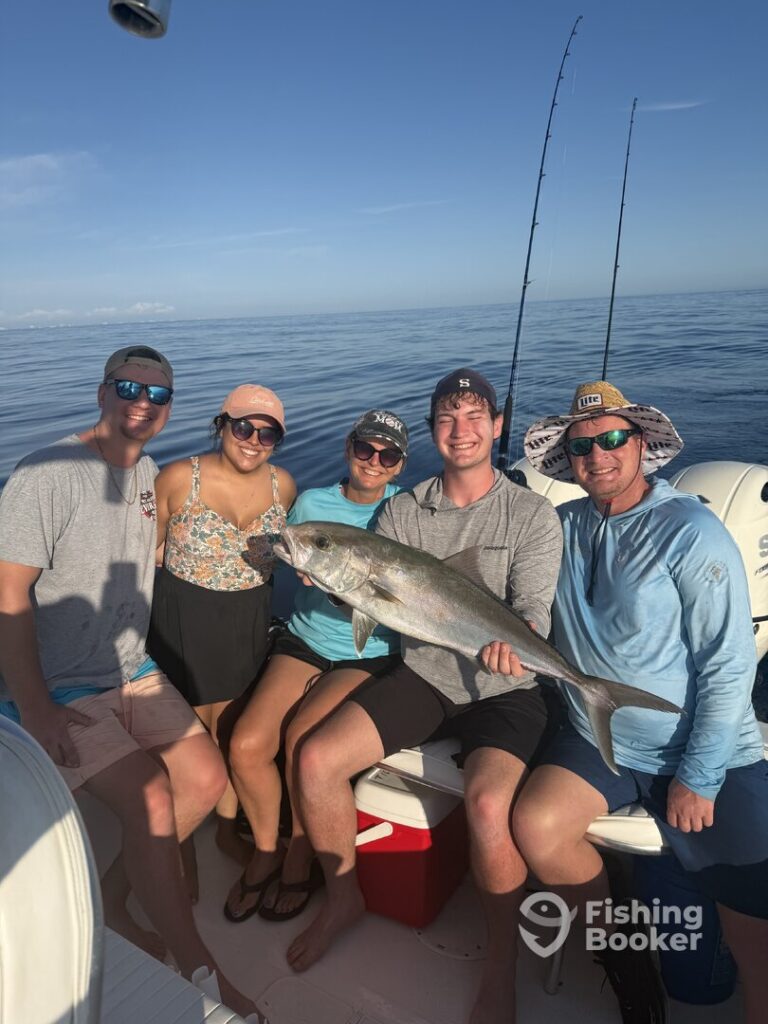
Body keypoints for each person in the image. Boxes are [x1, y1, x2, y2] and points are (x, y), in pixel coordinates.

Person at [286, 369, 563, 1024]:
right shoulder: (404, 510)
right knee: (315, 760)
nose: (461, 429)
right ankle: (345, 896)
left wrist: (516, 643)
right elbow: (374, 599)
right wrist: (329, 574)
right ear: (433, 430)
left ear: (498, 427)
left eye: (475, 416)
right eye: (447, 417)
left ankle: (501, 964)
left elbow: (533, 613)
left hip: (508, 684)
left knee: (491, 807)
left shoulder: (531, 514)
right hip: (429, 675)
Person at [0, 346, 255, 1018]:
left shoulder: (146, 474)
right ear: (101, 392)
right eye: (128, 387)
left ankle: (110, 898)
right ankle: (201, 971)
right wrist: (37, 708)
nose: (143, 402)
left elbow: (157, 544)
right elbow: (7, 591)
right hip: (59, 687)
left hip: (130, 668)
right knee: (149, 798)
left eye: (159, 394)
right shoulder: (46, 474)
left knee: (205, 780)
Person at [512, 380, 768, 1024]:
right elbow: (504, 584)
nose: (598, 455)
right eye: (581, 446)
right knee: (536, 827)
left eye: (614, 438)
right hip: (596, 731)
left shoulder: (691, 531)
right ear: (565, 461)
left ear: (643, 444)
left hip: (704, 744)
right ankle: (623, 958)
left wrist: (700, 777)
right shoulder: (559, 525)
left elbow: (729, 665)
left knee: (752, 920)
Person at [225, 409, 408, 923]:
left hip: (366, 653)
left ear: (399, 466)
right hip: (304, 640)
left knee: (302, 742)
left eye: (387, 455)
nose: (373, 461)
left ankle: (300, 857)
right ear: (348, 448)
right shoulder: (312, 503)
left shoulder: (405, 510)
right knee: (245, 744)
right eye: (365, 449)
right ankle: (266, 850)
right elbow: (290, 549)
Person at [148, 384, 296, 886]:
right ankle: (180, 846)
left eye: (268, 433)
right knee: (184, 743)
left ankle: (227, 830)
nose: (254, 440)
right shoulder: (175, 478)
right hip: (183, 623)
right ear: (222, 425)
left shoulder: (285, 487)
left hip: (247, 623)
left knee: (230, 733)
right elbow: (149, 551)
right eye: (243, 427)